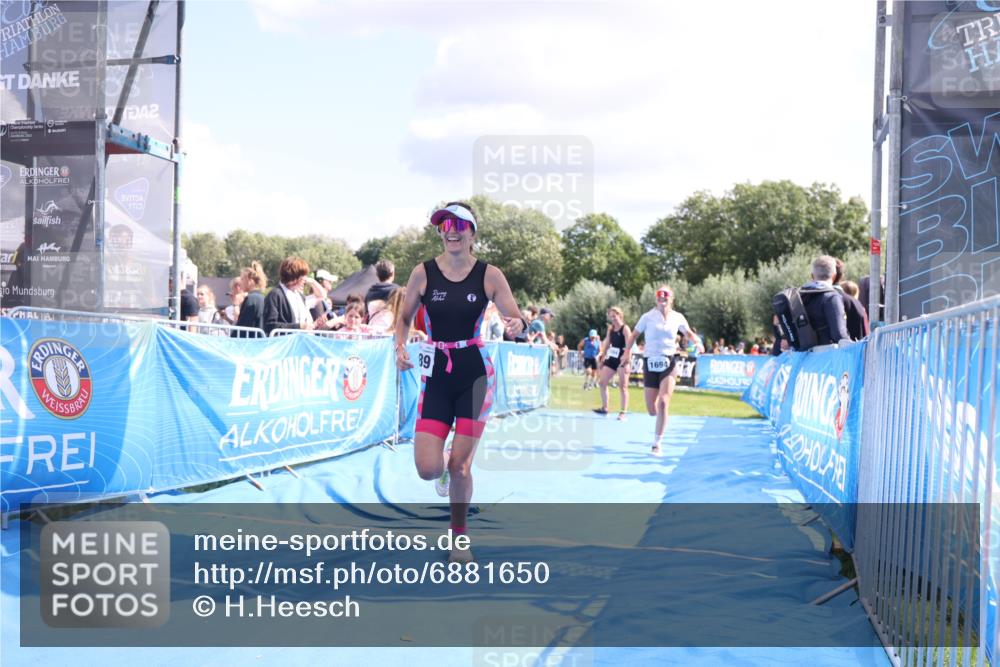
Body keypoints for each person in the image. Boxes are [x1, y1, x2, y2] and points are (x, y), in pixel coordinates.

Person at [394, 201, 526, 563]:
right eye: (444, 224)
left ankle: (459, 538)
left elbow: (516, 317)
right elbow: (403, 319)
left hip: (474, 373)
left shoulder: (489, 274)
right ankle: (446, 459)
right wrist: (400, 346)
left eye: (459, 224)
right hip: (437, 373)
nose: (451, 230)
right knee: (429, 469)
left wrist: (518, 324)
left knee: (461, 468)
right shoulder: (422, 273)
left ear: (472, 231)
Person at [622, 285, 698, 456]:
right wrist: (627, 352)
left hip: (669, 362)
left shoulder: (678, 317)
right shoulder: (647, 317)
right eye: (659, 296)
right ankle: (660, 418)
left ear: (672, 299)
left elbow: (688, 334)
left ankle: (657, 443)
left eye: (666, 296)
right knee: (651, 409)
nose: (662, 299)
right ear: (656, 299)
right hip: (650, 362)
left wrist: (697, 342)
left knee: (663, 403)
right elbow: (633, 335)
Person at [263, 256, 323, 336]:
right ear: (294, 276)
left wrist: (311, 325)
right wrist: (299, 326)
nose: (305, 279)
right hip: (283, 345)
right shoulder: (275, 295)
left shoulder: (300, 296)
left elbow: (322, 296)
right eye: (303, 276)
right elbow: (269, 325)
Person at [801, 255, 850, 347]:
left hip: (802, 355)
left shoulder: (801, 295)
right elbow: (839, 334)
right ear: (834, 276)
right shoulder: (832, 297)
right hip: (826, 355)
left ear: (812, 275)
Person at [594, 306, 631, 420]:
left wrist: (627, 362)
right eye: (611, 317)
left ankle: (623, 412)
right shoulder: (611, 329)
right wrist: (602, 358)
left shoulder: (625, 329)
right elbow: (607, 344)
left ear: (620, 315)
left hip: (622, 359)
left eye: (614, 316)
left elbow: (629, 346)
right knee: (602, 382)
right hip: (612, 358)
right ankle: (605, 408)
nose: (613, 319)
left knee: (623, 386)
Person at [233, 261, 267, 337]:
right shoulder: (263, 298)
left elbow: (243, 326)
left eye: (242, 279)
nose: (240, 282)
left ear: (250, 281)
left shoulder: (251, 299)